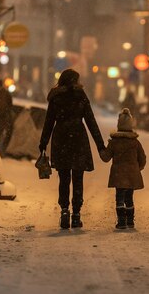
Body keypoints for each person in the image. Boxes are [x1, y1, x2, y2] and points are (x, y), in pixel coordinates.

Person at [39, 69, 106, 229]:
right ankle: (76, 214)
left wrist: (43, 143)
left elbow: (49, 122)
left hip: (61, 138)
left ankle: (64, 210)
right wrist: (100, 145)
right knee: (78, 177)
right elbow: (91, 121)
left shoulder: (56, 97)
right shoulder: (80, 96)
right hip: (78, 138)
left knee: (64, 178)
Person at [100, 108, 146, 229]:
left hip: (118, 175)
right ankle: (130, 221)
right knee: (129, 198)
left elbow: (105, 157)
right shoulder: (135, 142)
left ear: (119, 125)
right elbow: (142, 158)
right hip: (131, 175)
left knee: (119, 198)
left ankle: (121, 221)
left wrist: (101, 149)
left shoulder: (114, 142)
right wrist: (137, 168)